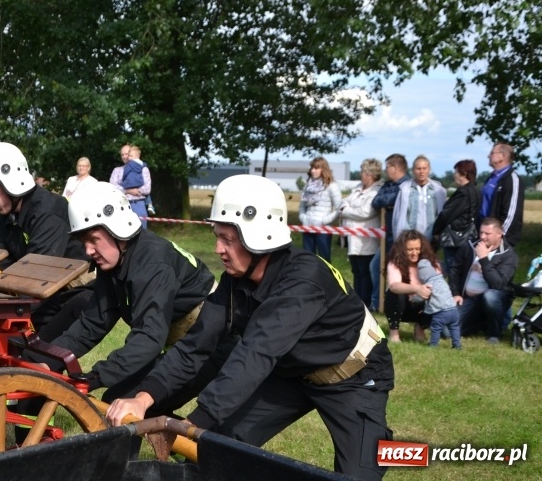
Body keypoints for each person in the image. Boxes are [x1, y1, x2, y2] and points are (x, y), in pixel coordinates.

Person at [106, 175, 394, 481]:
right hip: (290, 373)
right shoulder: (235, 280)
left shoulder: (304, 281)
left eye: (227, 239)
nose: (218, 249)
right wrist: (144, 397)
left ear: (260, 237)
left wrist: (194, 423)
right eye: (217, 236)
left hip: (352, 377)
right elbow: (196, 345)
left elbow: (255, 353)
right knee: (217, 447)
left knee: (358, 476)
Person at [33, 181, 215, 403]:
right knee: (117, 400)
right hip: (178, 340)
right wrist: (50, 359)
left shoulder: (152, 264)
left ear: (117, 230)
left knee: (120, 402)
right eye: (83, 242)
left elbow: (148, 337)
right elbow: (92, 323)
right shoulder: (115, 261)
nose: (88, 251)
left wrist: (95, 377)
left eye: (93, 240)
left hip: (206, 346)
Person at [0, 142, 93, 338]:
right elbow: (1, 263)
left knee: (25, 343)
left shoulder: (49, 212)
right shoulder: (8, 213)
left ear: (11, 184)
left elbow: (38, 275)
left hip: (70, 294)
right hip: (40, 288)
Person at [448, 217, 518, 344]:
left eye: (487, 233)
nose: (482, 237)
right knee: (447, 332)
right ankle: (481, 323)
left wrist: (484, 259)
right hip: (469, 299)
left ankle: (494, 333)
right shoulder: (470, 246)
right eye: (481, 232)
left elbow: (498, 283)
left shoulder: (508, 255)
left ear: (499, 233)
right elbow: (455, 270)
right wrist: (456, 293)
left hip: (493, 298)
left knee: (490, 296)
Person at [338, 158, 383, 309]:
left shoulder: (377, 191)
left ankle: (366, 302)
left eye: (363, 171)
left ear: (371, 174)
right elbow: (343, 202)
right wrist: (346, 208)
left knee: (365, 272)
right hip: (353, 238)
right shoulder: (358, 188)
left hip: (367, 239)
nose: (360, 174)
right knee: (356, 271)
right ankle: (357, 300)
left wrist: (346, 211)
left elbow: (366, 212)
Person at [370, 154, 411, 311]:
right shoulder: (388, 184)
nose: (385, 170)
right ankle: (377, 303)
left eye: (387, 167)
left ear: (395, 168)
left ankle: (402, 306)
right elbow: (376, 202)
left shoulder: (408, 185)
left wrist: (388, 200)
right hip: (387, 237)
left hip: (401, 237)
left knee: (402, 272)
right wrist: (388, 200)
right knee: (376, 266)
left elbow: (390, 199)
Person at [384, 230, 438, 343]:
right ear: (402, 250)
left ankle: (420, 328)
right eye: (410, 249)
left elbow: (438, 283)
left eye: (417, 249)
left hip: (422, 306)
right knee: (393, 293)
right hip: (402, 306)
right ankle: (394, 333)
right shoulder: (394, 263)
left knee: (436, 296)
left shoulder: (432, 263)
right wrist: (416, 288)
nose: (414, 253)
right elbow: (394, 286)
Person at [431, 160, 480, 274]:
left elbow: (446, 215)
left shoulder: (463, 193)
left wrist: (436, 231)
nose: (454, 175)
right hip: (469, 238)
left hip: (455, 239)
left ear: (464, 173)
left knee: (453, 271)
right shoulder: (477, 191)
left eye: (456, 172)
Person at [392, 155, 447, 240]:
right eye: (418, 169)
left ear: (429, 169)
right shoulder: (405, 190)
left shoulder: (438, 191)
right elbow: (399, 216)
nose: (421, 172)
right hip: (411, 238)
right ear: (413, 170)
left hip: (432, 238)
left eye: (424, 168)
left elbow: (441, 215)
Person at [298, 156, 341, 262]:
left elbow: (339, 208)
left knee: (324, 260)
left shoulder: (332, 186)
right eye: (312, 168)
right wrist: (303, 217)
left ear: (323, 169)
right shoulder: (307, 186)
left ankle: (326, 274)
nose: (313, 170)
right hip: (307, 227)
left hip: (323, 230)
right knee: (308, 259)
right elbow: (302, 205)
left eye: (316, 168)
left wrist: (324, 221)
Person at [480, 143, 523, 247]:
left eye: (492, 153)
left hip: (497, 240)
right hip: (484, 236)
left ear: (502, 156)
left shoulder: (511, 179)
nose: (488, 156)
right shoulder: (491, 177)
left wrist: (499, 238)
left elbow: (511, 214)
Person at [416, 259, 462, 349]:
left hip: (441, 312)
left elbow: (422, 297)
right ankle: (457, 345)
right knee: (454, 327)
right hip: (453, 310)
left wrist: (414, 298)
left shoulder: (429, 285)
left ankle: (433, 344)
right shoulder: (442, 280)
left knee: (435, 328)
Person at [110, 144, 151, 229]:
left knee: (142, 232)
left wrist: (137, 191)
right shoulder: (117, 170)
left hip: (139, 204)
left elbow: (147, 188)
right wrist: (128, 191)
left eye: (127, 154)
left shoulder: (143, 169)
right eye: (122, 155)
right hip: (121, 205)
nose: (125, 157)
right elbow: (112, 187)